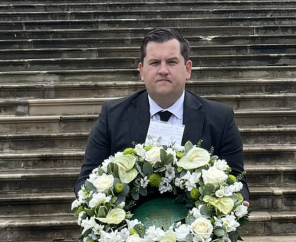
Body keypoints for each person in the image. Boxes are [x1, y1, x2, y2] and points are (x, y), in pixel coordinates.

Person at [74, 28, 249, 201]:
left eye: (172, 62)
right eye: (155, 63)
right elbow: (86, 180)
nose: (163, 70)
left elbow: (237, 181)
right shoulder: (112, 116)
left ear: (187, 69)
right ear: (142, 70)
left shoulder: (220, 118)